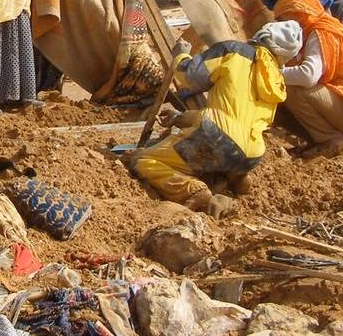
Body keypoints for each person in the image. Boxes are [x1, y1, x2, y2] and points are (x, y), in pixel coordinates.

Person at [128, 22, 300, 217]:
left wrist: (181, 55)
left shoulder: (234, 51)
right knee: (213, 156)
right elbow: (231, 117)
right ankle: (230, 177)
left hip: (214, 138)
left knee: (143, 160)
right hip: (251, 155)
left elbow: (190, 76)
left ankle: (194, 191)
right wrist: (180, 118)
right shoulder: (274, 77)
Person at [273, 0, 343, 153]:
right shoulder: (314, 31)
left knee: (289, 89)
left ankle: (332, 142)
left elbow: (308, 76)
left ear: (296, 15)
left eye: (283, 20)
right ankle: (318, 139)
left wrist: (272, 73)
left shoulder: (320, 32)